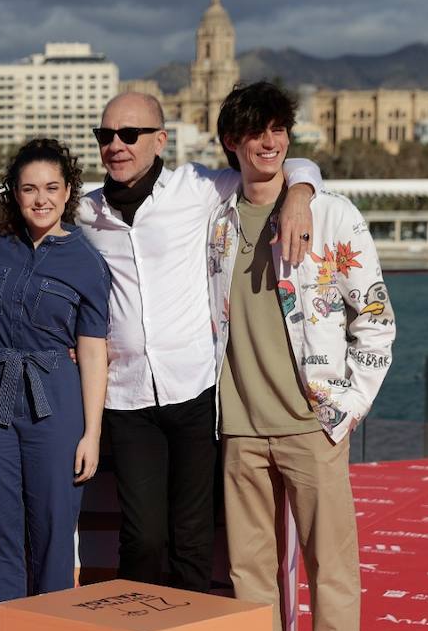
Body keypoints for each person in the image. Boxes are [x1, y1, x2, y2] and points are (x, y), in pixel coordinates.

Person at [209, 81, 396, 631]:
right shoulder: (216, 222)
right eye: (256, 131)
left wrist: (341, 411)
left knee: (332, 570)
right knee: (249, 572)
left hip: (312, 427)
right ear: (231, 140)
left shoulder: (332, 216)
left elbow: (374, 323)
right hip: (239, 429)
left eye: (280, 129)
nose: (271, 141)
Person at [75, 92, 322, 594]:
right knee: (142, 537)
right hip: (126, 397)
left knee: (193, 538)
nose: (115, 146)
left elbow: (274, 162)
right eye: (106, 136)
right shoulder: (85, 214)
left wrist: (301, 193)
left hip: (196, 392)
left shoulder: (197, 187)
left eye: (129, 135)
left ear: (160, 140)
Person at [0, 138, 110, 631]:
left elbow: (93, 351)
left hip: (57, 402)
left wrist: (92, 432)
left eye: (51, 188)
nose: (40, 199)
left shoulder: (87, 262)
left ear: (68, 191)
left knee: (52, 530)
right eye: (29, 189)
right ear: (14, 193)